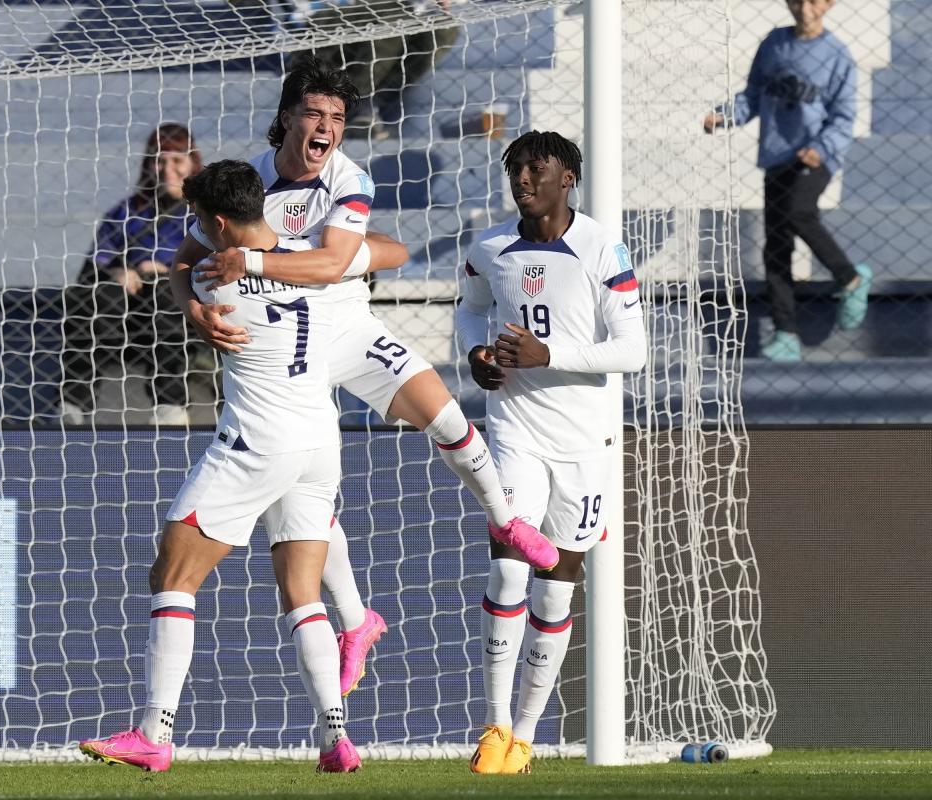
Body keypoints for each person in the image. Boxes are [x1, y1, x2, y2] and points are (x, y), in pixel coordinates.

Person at [175, 55, 559, 699]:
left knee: (442, 409)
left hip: (347, 330)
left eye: (337, 116)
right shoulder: (249, 182)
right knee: (303, 479)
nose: (326, 126)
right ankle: (355, 619)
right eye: (314, 114)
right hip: (285, 348)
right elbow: (185, 260)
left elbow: (334, 265)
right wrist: (195, 311)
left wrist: (254, 258)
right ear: (287, 120)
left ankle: (502, 518)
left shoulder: (348, 178)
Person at [79, 160, 363, 773]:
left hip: (256, 443)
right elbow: (376, 252)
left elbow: (182, 265)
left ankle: (155, 733)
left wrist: (191, 306)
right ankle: (335, 735)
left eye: (200, 220)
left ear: (220, 222)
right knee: (302, 595)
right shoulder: (310, 256)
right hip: (320, 441)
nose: (196, 230)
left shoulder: (218, 280)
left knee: (172, 575)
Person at [455, 131, 646, 774]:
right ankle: (494, 726)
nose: (523, 178)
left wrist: (549, 355)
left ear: (569, 179)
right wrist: (477, 355)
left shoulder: (602, 250)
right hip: (515, 430)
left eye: (538, 168)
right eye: (516, 169)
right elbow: (471, 309)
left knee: (555, 592)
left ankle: (525, 738)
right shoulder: (490, 250)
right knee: (509, 562)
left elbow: (632, 351)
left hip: (585, 444)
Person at [703, 0, 869, 363]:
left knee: (798, 212)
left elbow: (844, 115)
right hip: (778, 156)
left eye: (813, 2)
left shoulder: (837, 54)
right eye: (797, 0)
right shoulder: (774, 44)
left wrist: (821, 148)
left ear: (829, 4)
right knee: (776, 245)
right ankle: (785, 332)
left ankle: (851, 278)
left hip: (814, 157)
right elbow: (752, 97)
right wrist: (725, 115)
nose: (804, 9)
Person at [59, 123, 203, 424]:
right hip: (125, 313)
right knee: (95, 298)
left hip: (177, 310)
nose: (167, 169)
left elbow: (220, 267)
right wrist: (118, 271)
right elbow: (91, 268)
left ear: (193, 163)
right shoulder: (126, 212)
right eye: (159, 160)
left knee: (166, 292)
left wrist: (171, 271)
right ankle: (73, 405)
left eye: (176, 160)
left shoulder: (203, 214)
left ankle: (170, 404)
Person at [302, 0, 460, 141]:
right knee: (393, 10)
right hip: (324, 15)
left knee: (444, 27)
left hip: (402, 14)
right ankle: (355, 103)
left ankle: (372, 103)